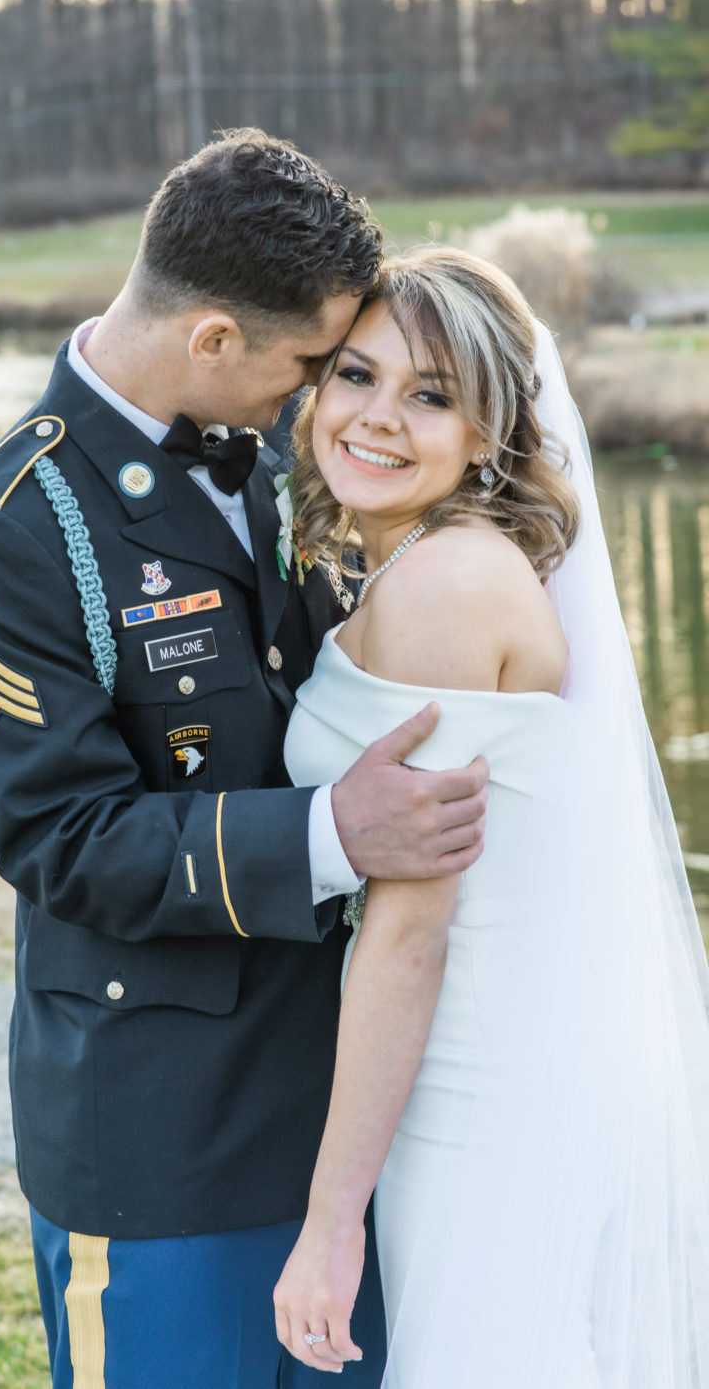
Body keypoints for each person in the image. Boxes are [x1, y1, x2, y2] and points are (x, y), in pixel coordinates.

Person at [0, 132, 491, 1389]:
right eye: (312, 365)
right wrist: (335, 832)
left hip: (351, 1121)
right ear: (217, 338)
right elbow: (63, 839)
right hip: (164, 1140)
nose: (322, 396)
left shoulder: (290, 462)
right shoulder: (1, 529)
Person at [274, 246, 709, 1385]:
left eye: (430, 395)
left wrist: (330, 1224)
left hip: (479, 1090)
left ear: (488, 435)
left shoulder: (445, 587)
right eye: (357, 375)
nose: (377, 416)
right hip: (482, 1067)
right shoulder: (437, 560)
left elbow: (411, 932)